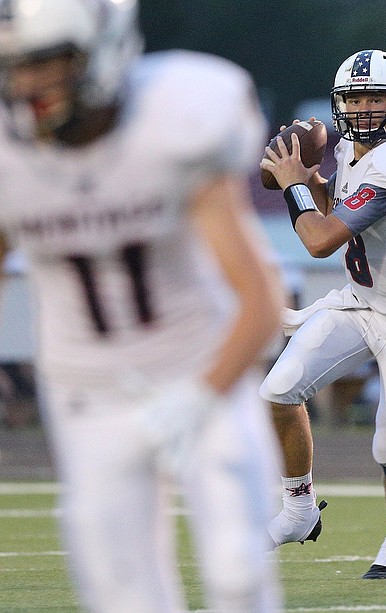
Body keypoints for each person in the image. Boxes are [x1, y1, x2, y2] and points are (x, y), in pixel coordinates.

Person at [0, 1, 286, 611]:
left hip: (202, 364)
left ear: (103, 50)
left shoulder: (173, 117)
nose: (27, 85)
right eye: (15, 67)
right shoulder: (9, 154)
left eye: (47, 61)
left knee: (239, 569)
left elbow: (261, 299)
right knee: (123, 595)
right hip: (87, 393)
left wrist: (202, 393)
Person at [259, 49, 386, 580]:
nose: (365, 110)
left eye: (377, 99)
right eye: (355, 99)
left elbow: (321, 241)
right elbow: (335, 205)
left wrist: (295, 185)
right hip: (361, 300)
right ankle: (299, 512)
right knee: (278, 391)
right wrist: (307, 181)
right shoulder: (350, 151)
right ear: (339, 103)